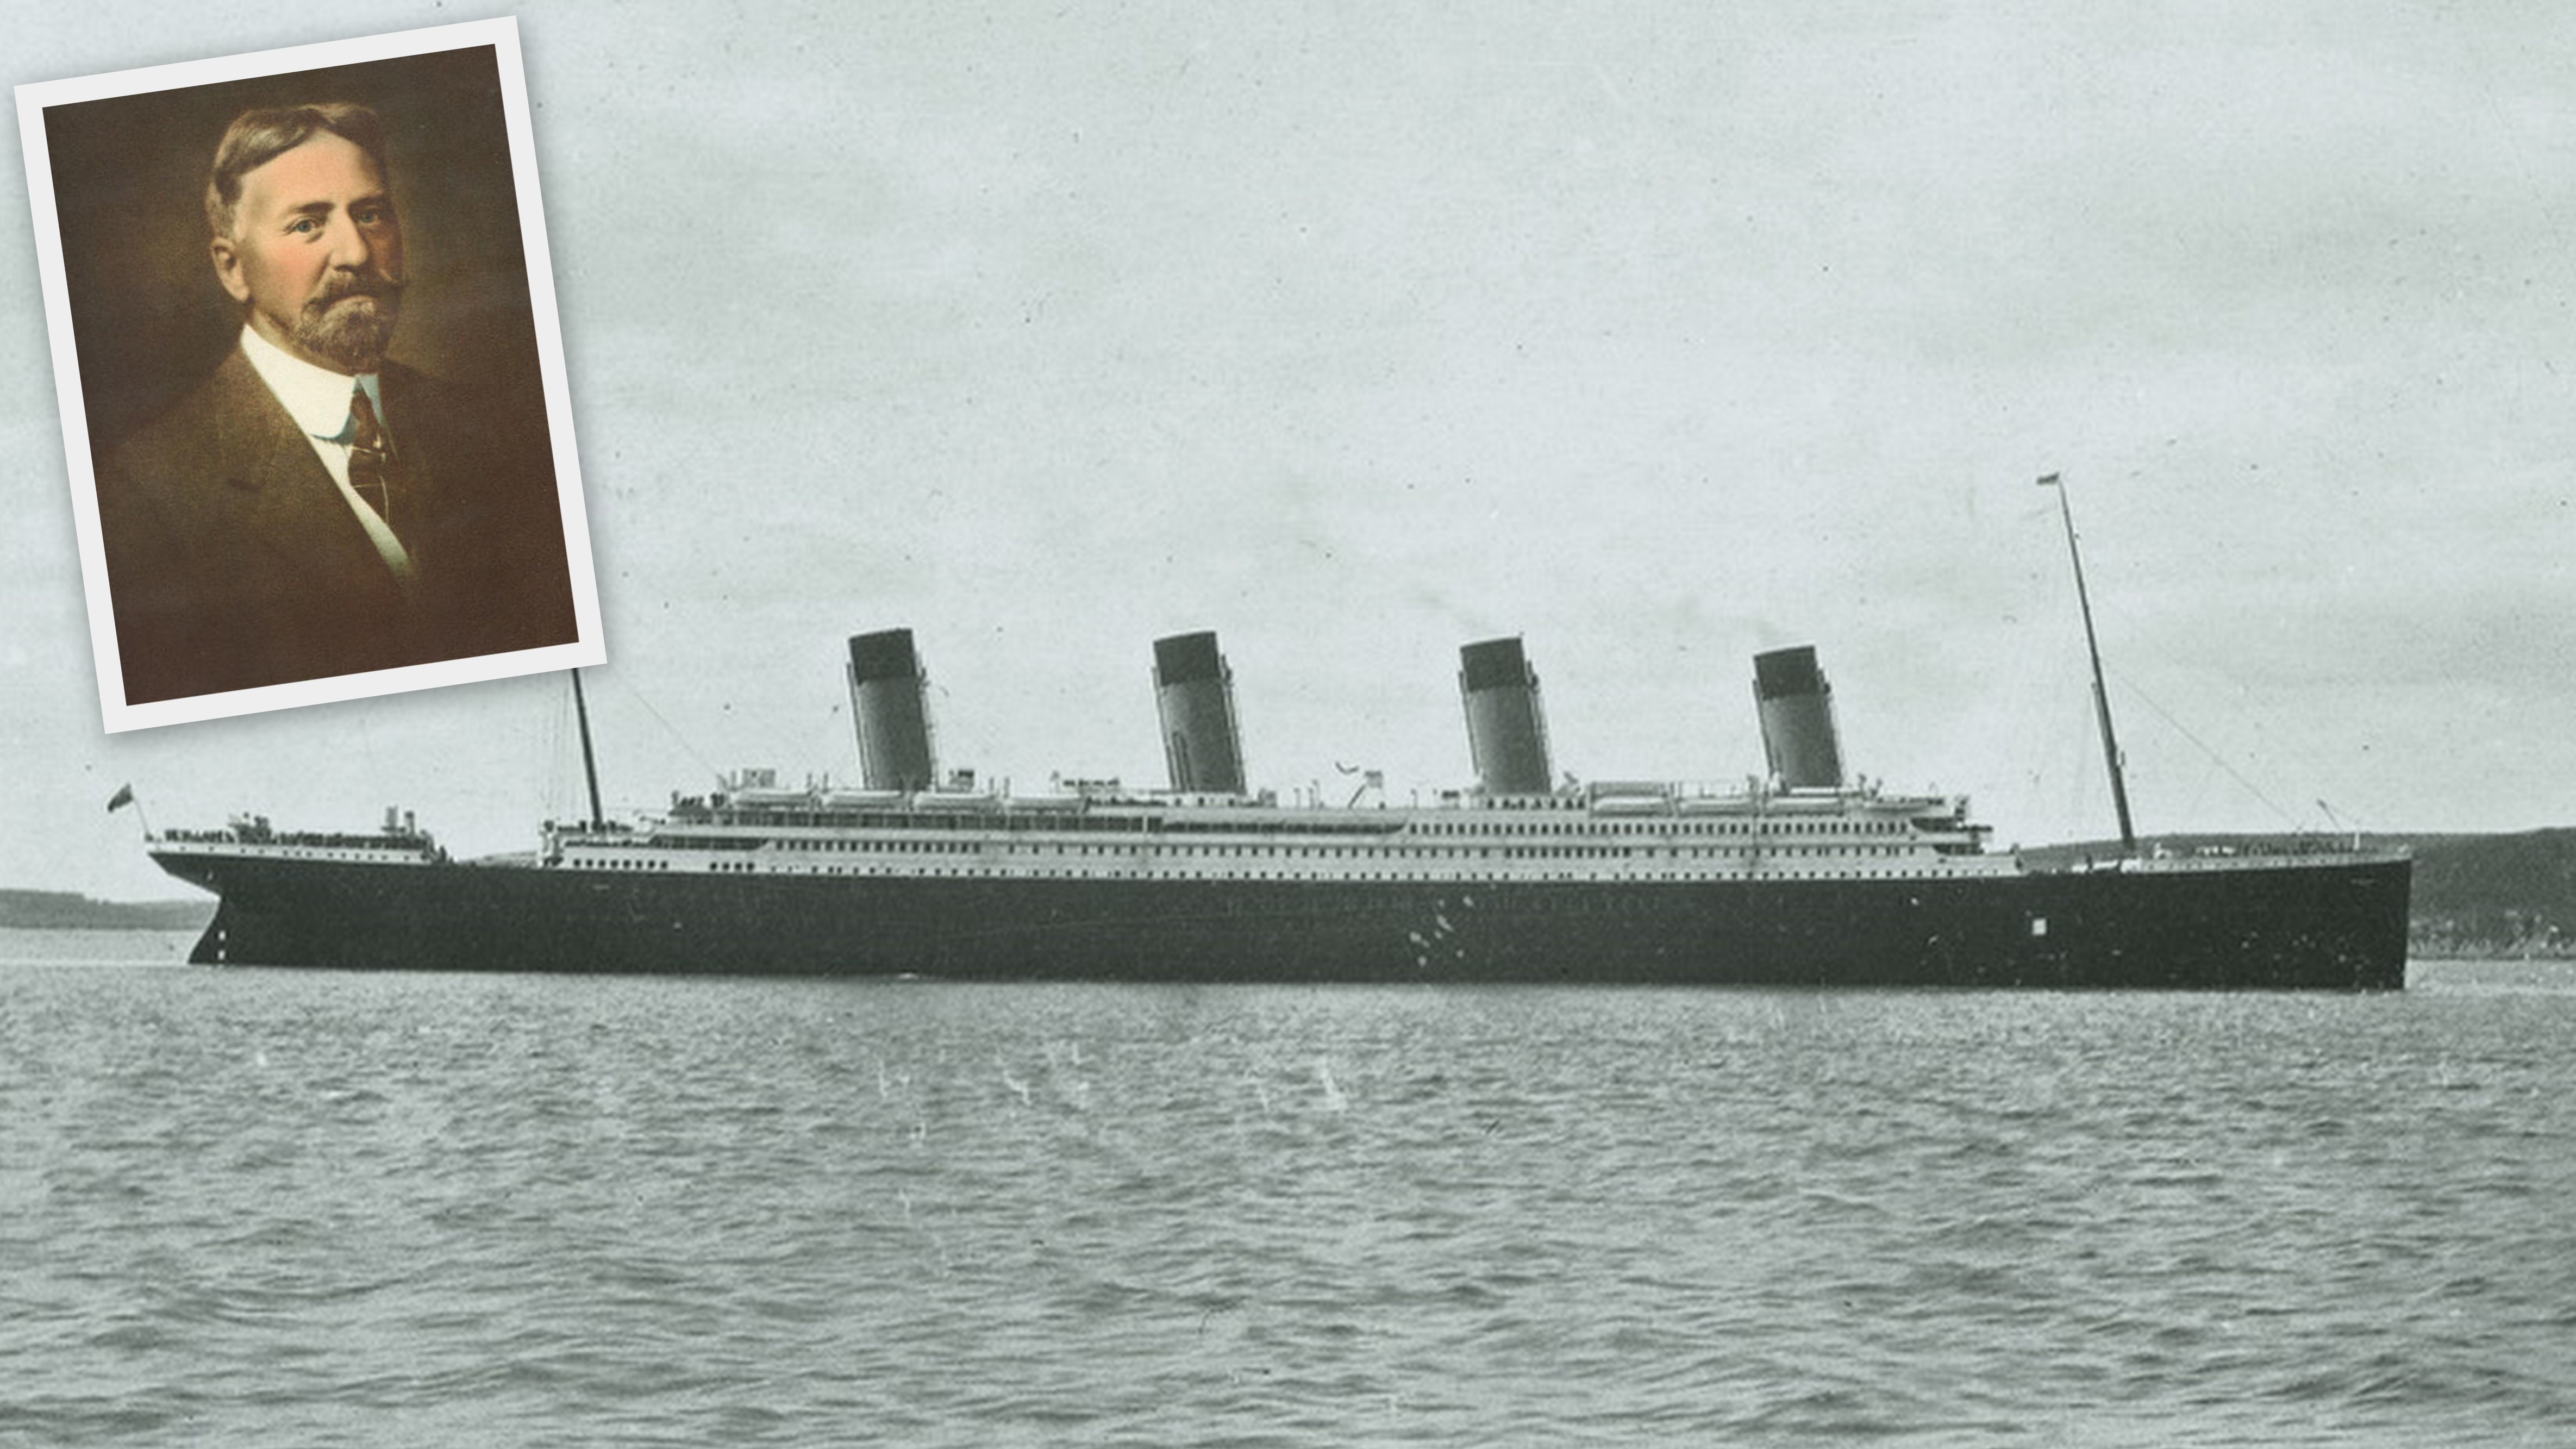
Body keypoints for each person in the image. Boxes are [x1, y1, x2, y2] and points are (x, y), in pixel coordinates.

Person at [95, 102, 578, 705]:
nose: (355, 253)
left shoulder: (499, 433)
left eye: (371, 215)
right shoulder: (143, 497)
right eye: (307, 225)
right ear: (232, 268)